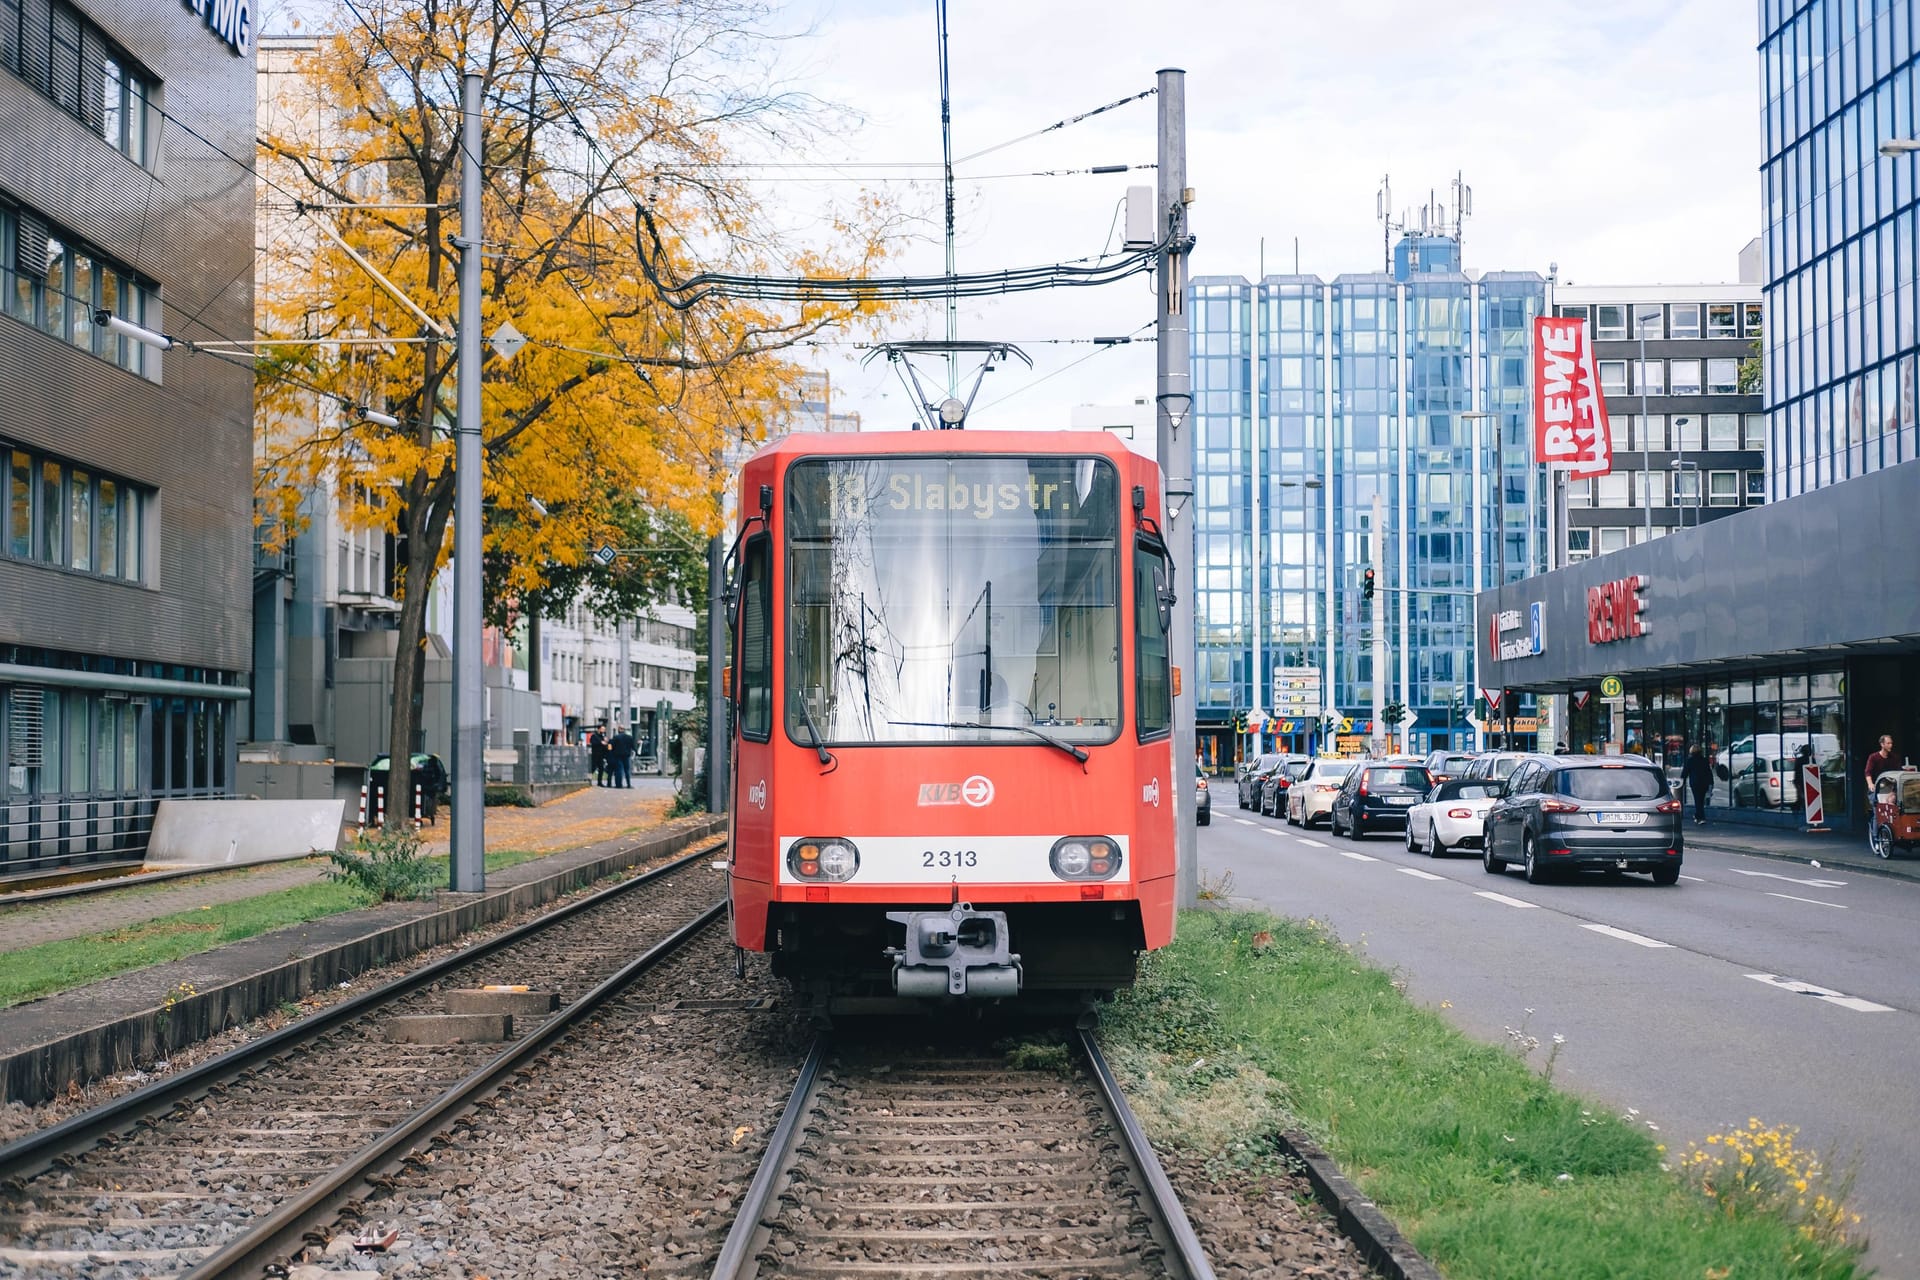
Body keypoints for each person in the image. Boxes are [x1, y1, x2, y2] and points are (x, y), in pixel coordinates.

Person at [1683, 744, 1713, 825]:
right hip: (1704, 783)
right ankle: (1698, 815)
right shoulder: (1704, 760)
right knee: (1701, 800)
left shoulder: (1690, 760)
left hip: (1695, 783)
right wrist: (1711, 783)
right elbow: (1709, 772)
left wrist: (1683, 779)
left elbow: (1685, 772)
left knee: (1697, 800)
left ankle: (1700, 817)